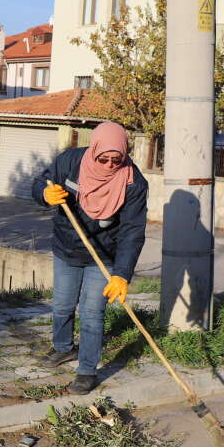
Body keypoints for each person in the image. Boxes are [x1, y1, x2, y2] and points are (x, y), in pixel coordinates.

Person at [32, 121, 147, 394]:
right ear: (93, 150)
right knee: (61, 305)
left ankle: (86, 370)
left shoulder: (134, 182)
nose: (109, 165)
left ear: (125, 154)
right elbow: (40, 183)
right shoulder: (69, 162)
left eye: (115, 160)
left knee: (92, 313)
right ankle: (62, 348)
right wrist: (44, 194)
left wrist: (121, 274)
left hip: (104, 255)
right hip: (68, 247)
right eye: (103, 159)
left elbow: (132, 231)